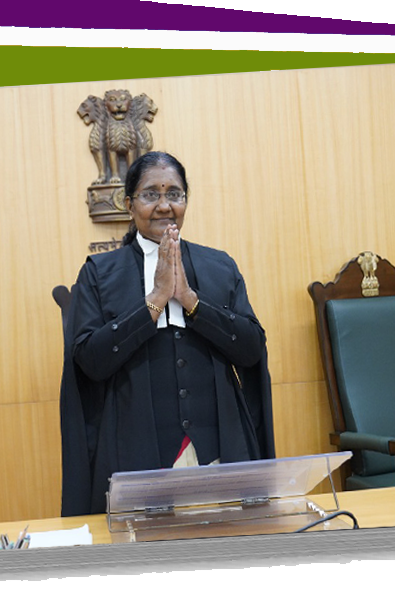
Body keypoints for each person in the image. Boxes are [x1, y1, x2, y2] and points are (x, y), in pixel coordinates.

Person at [59, 151, 275, 516]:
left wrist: (191, 300)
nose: (164, 206)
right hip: (135, 461)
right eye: (150, 194)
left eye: (174, 194)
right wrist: (156, 299)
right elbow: (90, 361)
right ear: (129, 204)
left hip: (218, 457)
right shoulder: (98, 273)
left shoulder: (219, 266)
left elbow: (252, 348)